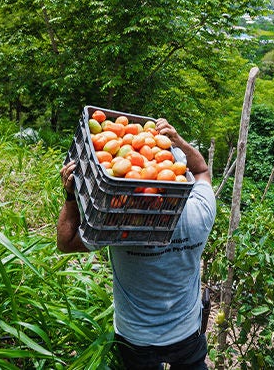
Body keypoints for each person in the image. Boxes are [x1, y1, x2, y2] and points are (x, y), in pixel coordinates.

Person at [57, 118, 216, 370]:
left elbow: (66, 242)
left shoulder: (119, 222)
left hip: (135, 339)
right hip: (187, 334)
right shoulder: (201, 211)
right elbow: (201, 171)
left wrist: (71, 197)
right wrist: (178, 141)